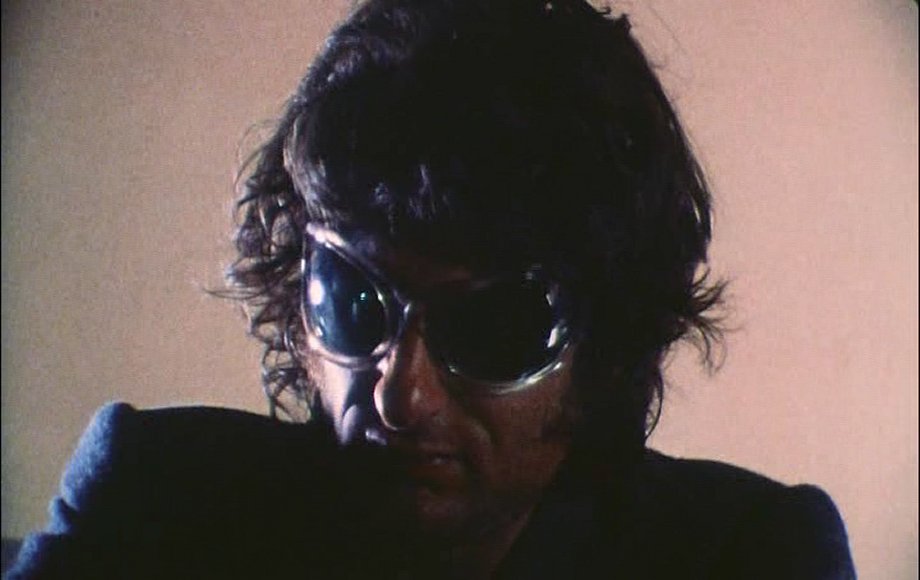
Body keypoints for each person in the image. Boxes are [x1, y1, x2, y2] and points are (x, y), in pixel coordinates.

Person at [7, 0, 856, 578]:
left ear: (605, 352)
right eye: (353, 301)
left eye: (492, 329)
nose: (398, 393)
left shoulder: (750, 556)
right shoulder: (150, 501)